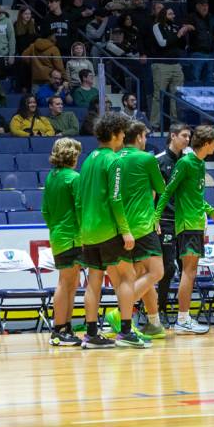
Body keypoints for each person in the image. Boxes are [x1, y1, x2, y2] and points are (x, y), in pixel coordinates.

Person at [77, 114, 148, 349]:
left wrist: (83, 231)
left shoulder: (88, 160)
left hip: (88, 232)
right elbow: (116, 198)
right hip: (108, 230)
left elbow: (79, 200)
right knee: (127, 277)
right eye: (122, 134)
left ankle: (91, 334)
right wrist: (126, 231)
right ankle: (126, 331)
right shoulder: (114, 160)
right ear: (116, 134)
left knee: (93, 281)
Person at [154, 125, 214, 334]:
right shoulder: (185, 163)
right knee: (188, 271)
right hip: (186, 224)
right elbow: (167, 192)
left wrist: (211, 212)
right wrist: (156, 217)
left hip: (196, 223)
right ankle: (183, 319)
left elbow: (195, 197)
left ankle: (183, 318)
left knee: (190, 271)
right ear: (206, 143)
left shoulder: (199, 163)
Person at [103, 121, 167, 340]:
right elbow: (161, 188)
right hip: (142, 225)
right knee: (157, 272)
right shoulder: (146, 158)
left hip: (121, 227)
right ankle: (121, 312)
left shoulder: (114, 159)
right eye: (145, 136)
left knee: (141, 275)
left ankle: (154, 323)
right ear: (139, 137)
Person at [42, 138, 84, 347]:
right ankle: (58, 329)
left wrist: (55, 227)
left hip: (58, 235)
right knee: (66, 283)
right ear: (71, 155)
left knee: (70, 283)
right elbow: (80, 210)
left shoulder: (51, 176)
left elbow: (45, 211)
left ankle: (65, 326)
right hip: (73, 236)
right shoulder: (74, 178)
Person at [155, 123, 192, 317]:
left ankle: (183, 313)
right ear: (173, 136)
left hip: (185, 221)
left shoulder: (188, 161)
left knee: (187, 266)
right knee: (168, 267)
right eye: (184, 136)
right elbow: (153, 195)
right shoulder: (158, 161)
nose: (187, 140)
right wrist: (156, 219)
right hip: (166, 221)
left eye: (189, 136)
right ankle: (160, 309)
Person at [151, 8, 189, 128]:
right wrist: (178, 35)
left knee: (176, 96)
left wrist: (183, 35)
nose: (173, 15)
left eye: (173, 13)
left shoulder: (175, 27)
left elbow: (183, 46)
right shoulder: (157, 26)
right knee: (158, 96)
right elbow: (162, 43)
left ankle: (175, 124)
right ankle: (154, 124)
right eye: (170, 14)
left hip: (176, 65)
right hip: (162, 65)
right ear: (164, 15)